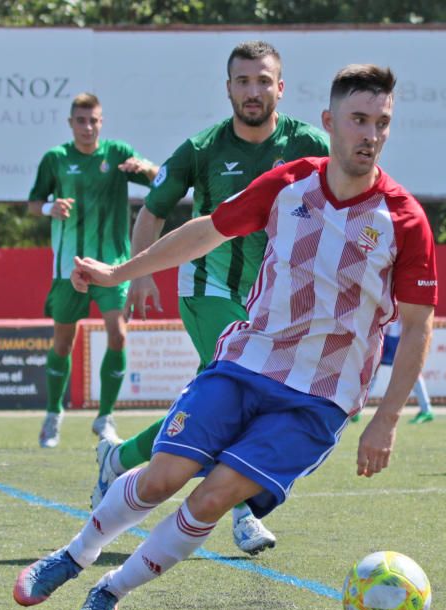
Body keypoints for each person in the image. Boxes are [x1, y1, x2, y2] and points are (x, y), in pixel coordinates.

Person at [13, 64, 438, 610]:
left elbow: (416, 325)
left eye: (381, 123)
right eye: (358, 120)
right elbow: (208, 229)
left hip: (318, 398)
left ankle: (109, 591)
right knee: (164, 475)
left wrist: (385, 419)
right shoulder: (290, 184)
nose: (370, 135)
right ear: (329, 123)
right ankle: (71, 556)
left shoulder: (404, 220)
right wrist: (121, 273)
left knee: (212, 498)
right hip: (247, 362)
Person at [91, 41, 330, 555]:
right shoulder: (201, 148)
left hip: (272, 302)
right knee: (240, 391)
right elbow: (154, 209)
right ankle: (242, 513)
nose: (252, 91)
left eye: (263, 81)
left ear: (280, 88)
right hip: (207, 289)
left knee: (214, 404)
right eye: (243, 81)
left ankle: (119, 458)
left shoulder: (309, 146)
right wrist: (140, 274)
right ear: (228, 89)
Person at [29, 93, 158, 448]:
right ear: (71, 123)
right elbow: (32, 203)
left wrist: (144, 169)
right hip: (67, 267)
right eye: (81, 121)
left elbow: (159, 180)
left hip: (111, 265)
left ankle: (104, 418)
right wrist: (48, 209)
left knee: (117, 335)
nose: (87, 127)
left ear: (102, 122)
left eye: (94, 120)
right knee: (63, 342)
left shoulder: (117, 154)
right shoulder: (55, 159)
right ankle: (54, 413)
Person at [357, 320, 434, 424]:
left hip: (398, 337)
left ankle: (426, 409)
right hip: (386, 335)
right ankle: (358, 408)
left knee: (412, 372)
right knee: (372, 371)